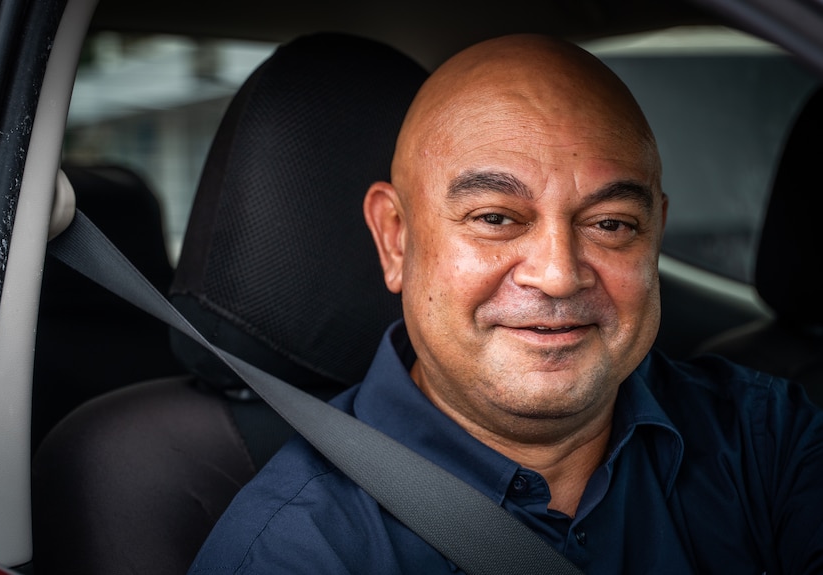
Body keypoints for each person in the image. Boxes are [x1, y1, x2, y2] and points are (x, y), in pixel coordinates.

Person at [189, 34, 823, 574]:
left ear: (655, 233)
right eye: (495, 217)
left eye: (610, 224)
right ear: (395, 239)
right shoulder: (299, 551)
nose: (558, 274)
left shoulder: (768, 440)